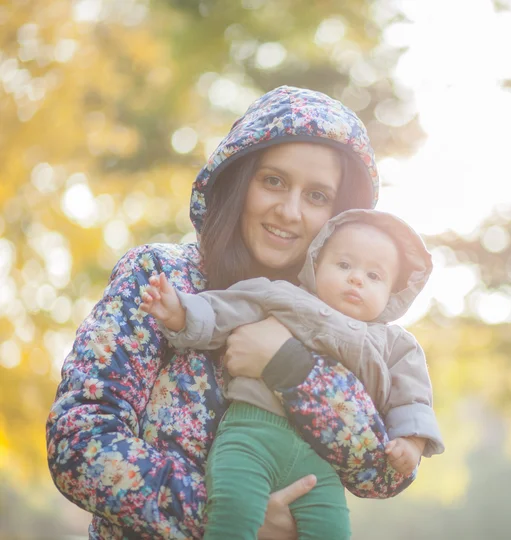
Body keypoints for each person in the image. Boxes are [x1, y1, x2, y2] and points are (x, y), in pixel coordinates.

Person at [46, 86, 433, 539]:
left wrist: (290, 366)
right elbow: (80, 441)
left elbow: (382, 472)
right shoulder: (161, 277)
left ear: (340, 215)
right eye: (273, 181)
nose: (289, 211)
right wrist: (226, 517)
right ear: (238, 179)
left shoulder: (348, 324)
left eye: (316, 196)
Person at [140, 208, 445, 539]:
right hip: (252, 433)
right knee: (233, 507)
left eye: (374, 276)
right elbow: (224, 308)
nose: (357, 278)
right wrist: (180, 311)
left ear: (393, 294)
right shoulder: (282, 295)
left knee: (332, 530)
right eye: (344, 265)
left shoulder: (394, 344)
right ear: (315, 263)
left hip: (322, 461)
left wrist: (412, 442)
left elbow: (412, 396)